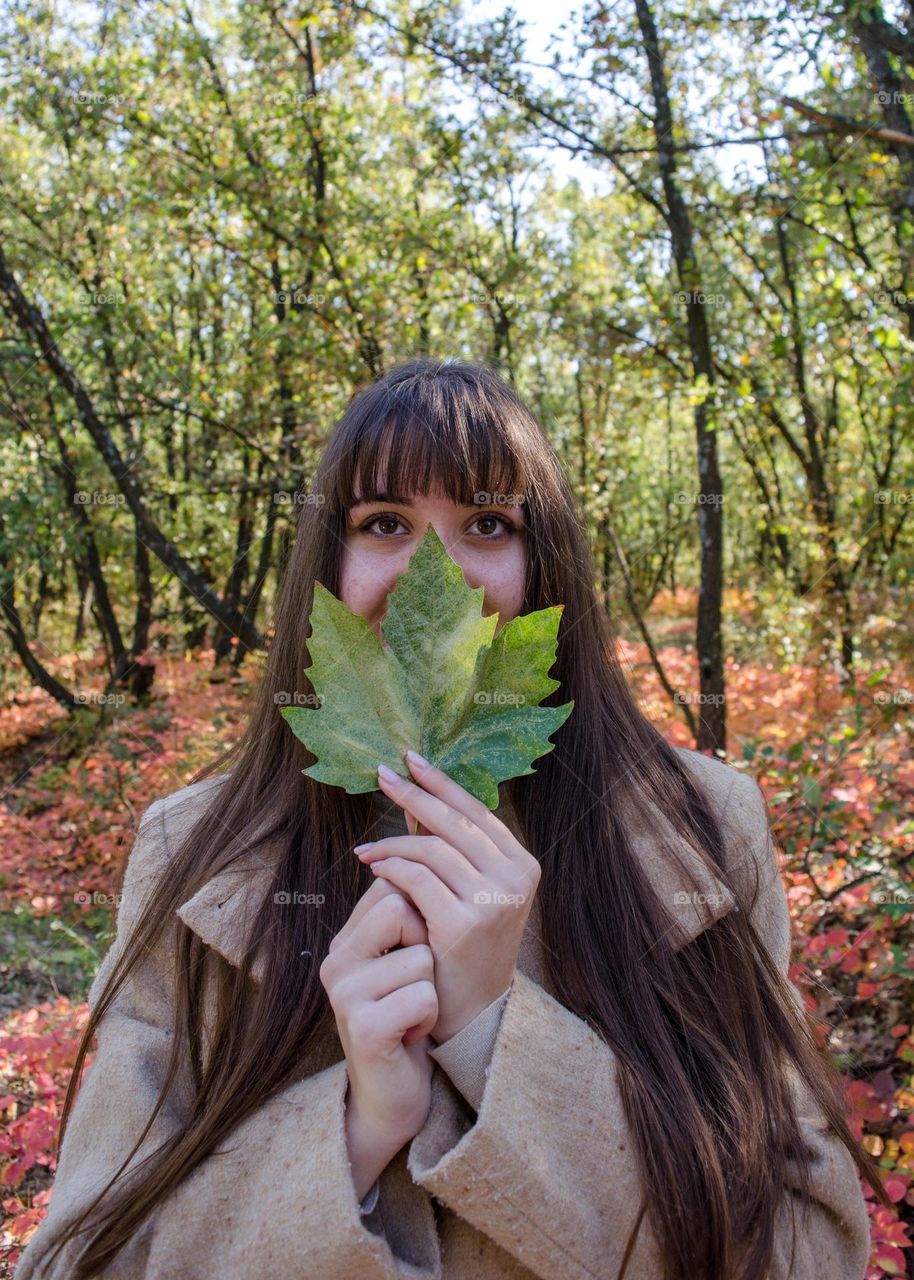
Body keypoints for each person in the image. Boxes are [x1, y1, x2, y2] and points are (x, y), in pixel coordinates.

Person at [15, 358, 885, 1280]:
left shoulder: (704, 828)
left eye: (487, 523)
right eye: (384, 523)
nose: (436, 568)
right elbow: (78, 1259)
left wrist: (494, 1030)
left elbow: (809, 1251)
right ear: (327, 562)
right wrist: (353, 1134)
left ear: (543, 566)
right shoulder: (192, 851)